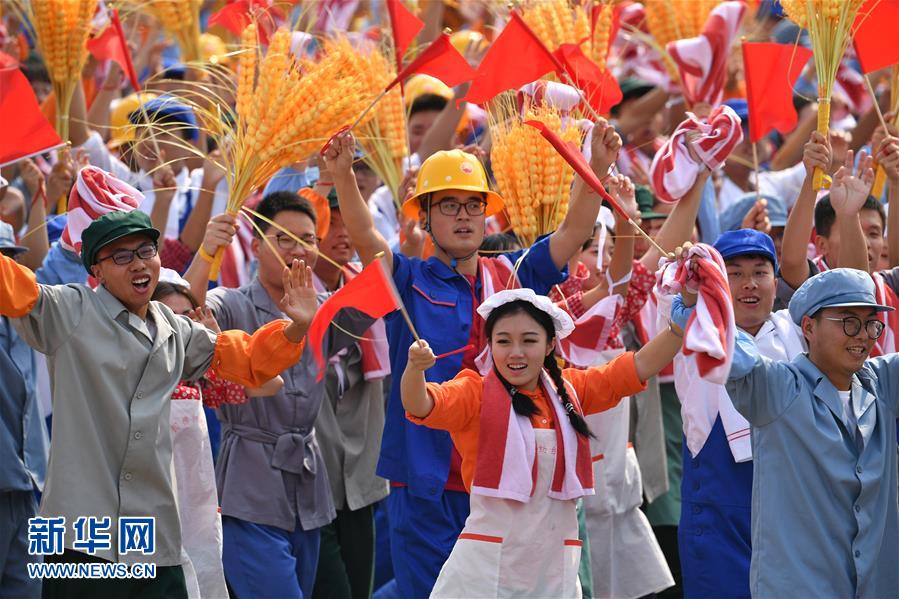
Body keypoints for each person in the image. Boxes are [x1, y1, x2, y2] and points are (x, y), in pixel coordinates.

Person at [324, 123, 622, 597]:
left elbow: (572, 233)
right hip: (423, 476)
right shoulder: (407, 279)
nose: (463, 216)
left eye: (473, 205)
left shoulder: (513, 273)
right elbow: (365, 237)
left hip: (501, 472)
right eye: (447, 205)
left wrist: (596, 170)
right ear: (423, 216)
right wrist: (343, 175)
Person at [0, 205, 317, 598]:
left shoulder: (176, 330)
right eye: (121, 256)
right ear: (96, 271)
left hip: (151, 535)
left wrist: (297, 326)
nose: (138, 264)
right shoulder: (70, 310)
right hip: (80, 537)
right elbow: (13, 286)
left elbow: (248, 359)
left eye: (146, 251)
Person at [399, 288, 686, 598]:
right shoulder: (475, 393)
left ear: (550, 344)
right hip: (487, 569)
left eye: (529, 340)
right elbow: (421, 403)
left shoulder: (570, 391)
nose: (516, 352)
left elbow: (634, 368)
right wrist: (415, 369)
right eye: (504, 341)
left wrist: (678, 329)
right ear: (490, 344)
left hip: (551, 566)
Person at [190, 192, 378, 599]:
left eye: (308, 240)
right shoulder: (233, 302)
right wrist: (207, 251)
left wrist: (346, 180)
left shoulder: (324, 308)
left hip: (309, 488)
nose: (298, 251)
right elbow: (185, 310)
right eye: (284, 239)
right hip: (249, 486)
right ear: (256, 246)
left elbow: (381, 282)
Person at [691, 268, 899, 598]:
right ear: (808, 327)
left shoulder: (881, 384)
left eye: (871, 323)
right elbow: (726, 346)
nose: (862, 335)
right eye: (848, 321)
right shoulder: (780, 388)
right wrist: (695, 296)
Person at [674, 231, 805, 598]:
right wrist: (690, 285)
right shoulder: (694, 333)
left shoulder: (798, 334)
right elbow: (681, 304)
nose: (750, 285)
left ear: (775, 283)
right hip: (718, 519)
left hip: (791, 510)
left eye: (760, 272)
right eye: (734, 273)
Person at [309, 190, 390, 599]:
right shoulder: (285, 300)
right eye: (331, 223)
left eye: (348, 224)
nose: (341, 235)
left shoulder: (368, 287)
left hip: (360, 473)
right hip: (309, 477)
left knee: (360, 588)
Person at [0, 222, 48, 599]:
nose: (8, 268)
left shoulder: (26, 315)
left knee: (28, 591)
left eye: (12, 258)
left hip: (27, 484)